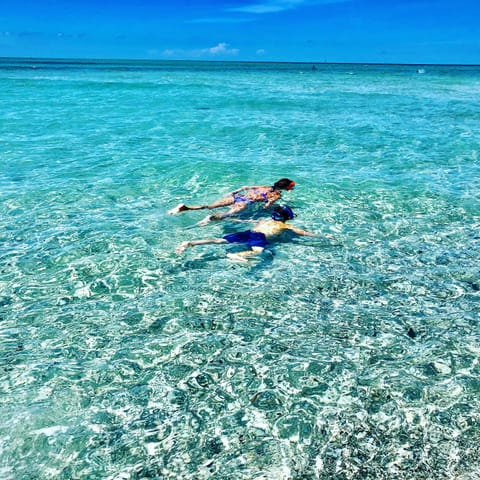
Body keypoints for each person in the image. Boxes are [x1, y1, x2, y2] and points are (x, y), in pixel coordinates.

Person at [176, 205, 321, 262]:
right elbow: (303, 233)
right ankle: (237, 255)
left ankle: (190, 243)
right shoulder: (285, 225)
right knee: (259, 251)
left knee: (219, 240)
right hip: (259, 237)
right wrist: (321, 236)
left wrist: (233, 220)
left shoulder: (264, 220)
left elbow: (249, 222)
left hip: (250, 232)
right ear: (286, 218)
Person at [168, 178, 295, 225]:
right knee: (225, 215)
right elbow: (267, 206)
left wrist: (234, 192)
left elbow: (246, 187)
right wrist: (269, 208)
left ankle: (184, 207)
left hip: (237, 197)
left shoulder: (266, 186)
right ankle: (209, 219)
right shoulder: (276, 195)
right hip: (244, 203)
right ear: (285, 188)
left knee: (209, 206)